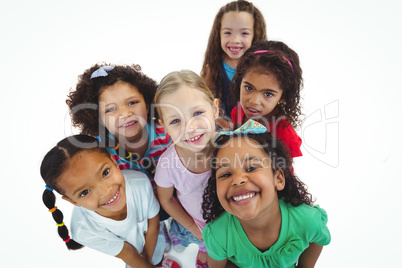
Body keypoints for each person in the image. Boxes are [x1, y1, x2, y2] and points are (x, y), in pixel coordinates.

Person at [202, 120, 331, 268]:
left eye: (251, 168)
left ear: (278, 179)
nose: (237, 180)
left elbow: (317, 240)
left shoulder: (307, 221)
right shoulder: (218, 234)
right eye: (225, 174)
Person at [40, 135, 180, 268]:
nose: (105, 191)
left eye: (105, 172)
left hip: (153, 235)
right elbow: (127, 253)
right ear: (73, 201)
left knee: (157, 253)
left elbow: (153, 224)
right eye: (85, 192)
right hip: (134, 255)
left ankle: (160, 259)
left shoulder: (140, 182)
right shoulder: (83, 231)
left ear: (114, 161)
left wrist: (149, 262)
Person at [154, 70, 220, 268]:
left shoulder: (232, 146)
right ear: (164, 127)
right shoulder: (167, 165)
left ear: (215, 109)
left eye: (198, 113)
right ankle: (200, 250)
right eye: (175, 121)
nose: (189, 128)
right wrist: (192, 226)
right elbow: (166, 198)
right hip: (199, 225)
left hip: (235, 222)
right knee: (207, 250)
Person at [231, 40, 303, 158]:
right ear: (240, 82)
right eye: (249, 88)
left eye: (268, 94)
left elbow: (285, 173)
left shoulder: (285, 134)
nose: (254, 101)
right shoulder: (238, 111)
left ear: (283, 96)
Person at [201, 0, 267, 125]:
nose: (235, 40)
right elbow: (204, 104)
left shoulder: (261, 69)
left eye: (244, 33)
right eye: (228, 33)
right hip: (221, 130)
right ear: (218, 34)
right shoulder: (213, 68)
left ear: (255, 35)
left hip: (253, 129)